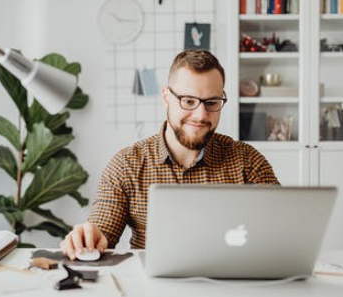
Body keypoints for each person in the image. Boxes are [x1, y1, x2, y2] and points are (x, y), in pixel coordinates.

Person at [60, 49, 280, 260]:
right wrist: (88, 237)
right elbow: (102, 229)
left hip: (232, 286)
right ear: (166, 96)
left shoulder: (248, 161)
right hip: (152, 290)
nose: (200, 115)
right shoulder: (127, 164)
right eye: (188, 101)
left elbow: (283, 229)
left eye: (212, 103)